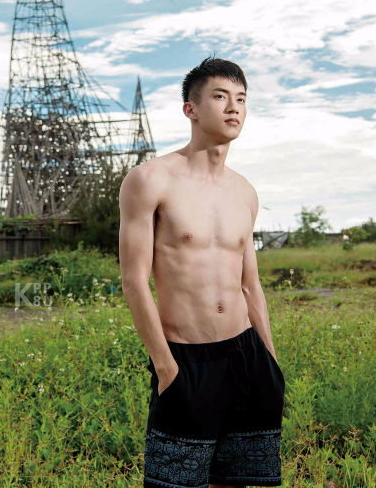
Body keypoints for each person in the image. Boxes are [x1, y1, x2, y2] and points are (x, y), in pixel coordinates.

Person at [118, 56, 285, 488]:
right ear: (190, 109)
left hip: (247, 356)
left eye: (241, 99)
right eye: (220, 96)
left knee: (238, 480)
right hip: (186, 359)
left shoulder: (244, 191)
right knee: (175, 483)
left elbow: (250, 284)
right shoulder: (150, 180)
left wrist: (270, 360)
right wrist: (165, 367)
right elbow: (134, 280)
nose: (233, 107)